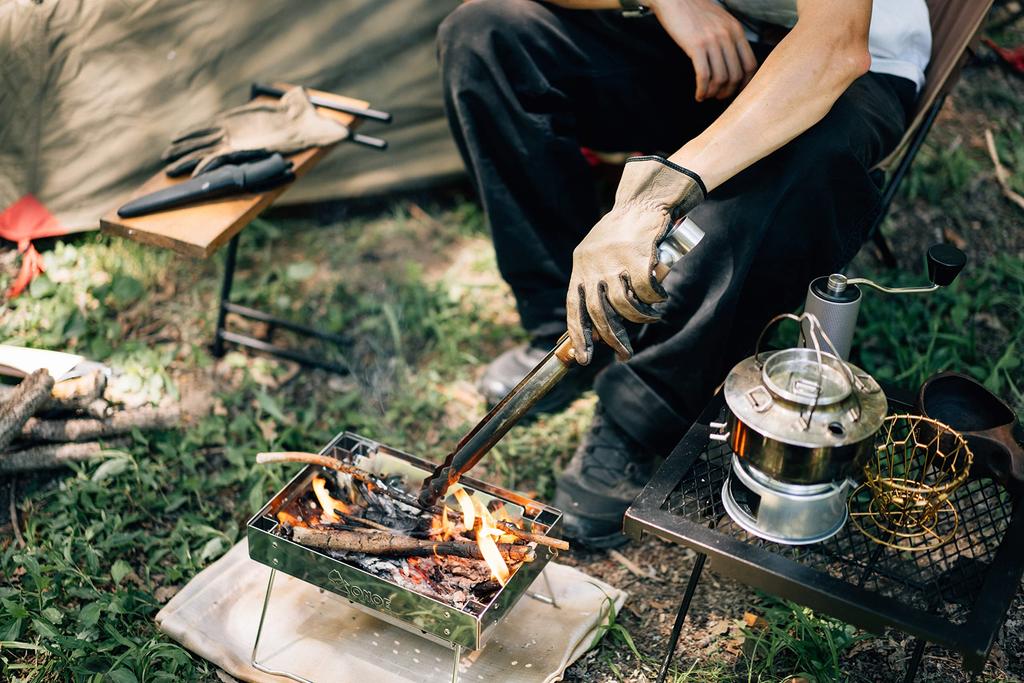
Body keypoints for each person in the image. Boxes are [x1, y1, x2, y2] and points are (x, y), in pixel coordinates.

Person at [438, 0, 930, 547]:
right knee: (483, 35)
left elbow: (836, 45)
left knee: (807, 164)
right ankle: (571, 324)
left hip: (841, 65)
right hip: (710, 46)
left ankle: (639, 413)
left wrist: (671, 187)